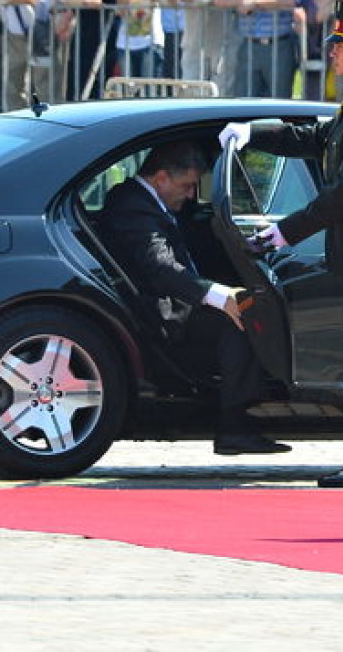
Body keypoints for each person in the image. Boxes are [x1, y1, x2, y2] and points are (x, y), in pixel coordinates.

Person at [219, 1, 343, 487]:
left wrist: (287, 230)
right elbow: (321, 137)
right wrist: (255, 133)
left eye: (339, 44)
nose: (330, 51)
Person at [96, 140, 289, 455]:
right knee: (240, 321)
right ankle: (234, 425)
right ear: (161, 179)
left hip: (169, 300)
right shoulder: (132, 205)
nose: (190, 195)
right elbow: (159, 267)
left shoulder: (148, 201)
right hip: (157, 313)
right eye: (186, 186)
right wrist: (216, 295)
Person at [215, 0, 299, 98]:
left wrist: (254, 3)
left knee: (279, 98)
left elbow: (290, 0)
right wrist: (242, 2)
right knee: (246, 97)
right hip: (250, 45)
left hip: (278, 45)